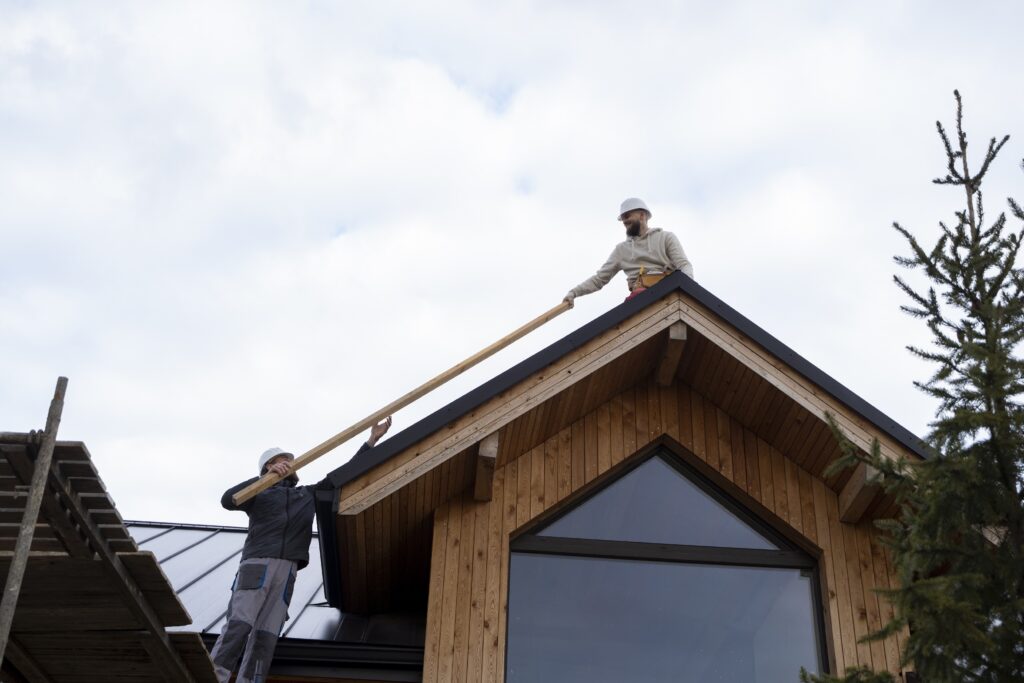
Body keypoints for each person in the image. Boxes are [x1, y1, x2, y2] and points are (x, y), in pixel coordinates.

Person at [210, 417, 393, 683]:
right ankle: (214, 675)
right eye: (278, 461)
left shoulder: (306, 495)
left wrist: (371, 441)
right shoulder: (258, 495)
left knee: (266, 635)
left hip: (287, 571)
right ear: (267, 468)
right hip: (257, 565)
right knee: (240, 625)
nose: (287, 463)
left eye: (288, 460)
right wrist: (267, 479)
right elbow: (228, 500)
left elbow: (343, 475)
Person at [563, 198, 694, 305]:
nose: (625, 221)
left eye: (627, 216)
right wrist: (574, 292)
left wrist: (688, 291)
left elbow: (684, 265)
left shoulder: (665, 238)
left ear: (642, 215)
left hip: (668, 293)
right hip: (639, 299)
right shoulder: (622, 250)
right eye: (623, 218)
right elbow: (599, 279)